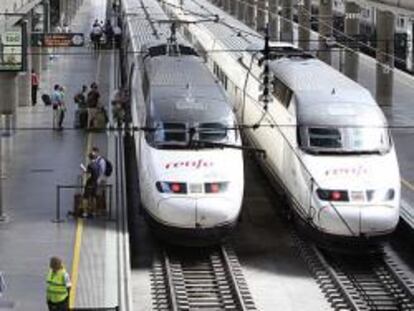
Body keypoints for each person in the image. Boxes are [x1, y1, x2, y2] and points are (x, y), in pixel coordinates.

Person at [82, 152, 101, 217]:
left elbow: (88, 173)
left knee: (85, 197)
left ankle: (85, 212)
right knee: (94, 197)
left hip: (90, 183)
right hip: (95, 183)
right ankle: (94, 212)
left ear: (89, 158)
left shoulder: (90, 165)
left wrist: (85, 170)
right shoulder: (98, 165)